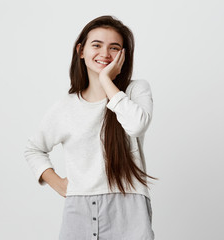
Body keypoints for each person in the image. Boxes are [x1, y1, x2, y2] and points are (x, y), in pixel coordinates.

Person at [24, 15, 158, 240]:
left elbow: (136, 126)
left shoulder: (135, 91)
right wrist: (58, 184)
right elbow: (33, 149)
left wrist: (106, 80)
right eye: (96, 45)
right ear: (81, 50)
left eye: (114, 48)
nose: (105, 54)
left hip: (128, 208)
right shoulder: (65, 107)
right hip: (79, 210)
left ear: (124, 55)